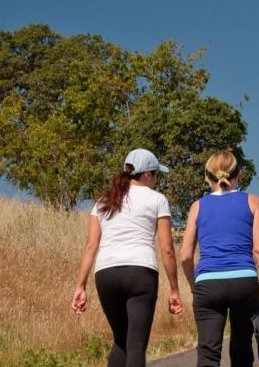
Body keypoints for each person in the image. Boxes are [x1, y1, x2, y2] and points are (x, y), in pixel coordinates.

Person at [72, 148, 183, 367]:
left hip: (106, 273)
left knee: (121, 340)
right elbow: (167, 248)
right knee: (135, 345)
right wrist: (174, 289)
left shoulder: (104, 200)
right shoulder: (157, 199)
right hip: (140, 272)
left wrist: (80, 286)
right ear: (148, 175)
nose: (157, 180)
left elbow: (91, 245)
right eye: (156, 175)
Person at [180, 151, 259, 367]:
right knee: (242, 349)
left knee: (208, 352)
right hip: (243, 282)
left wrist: (193, 285)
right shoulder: (253, 201)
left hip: (207, 284)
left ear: (207, 177)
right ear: (238, 175)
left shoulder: (197, 206)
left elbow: (186, 255)